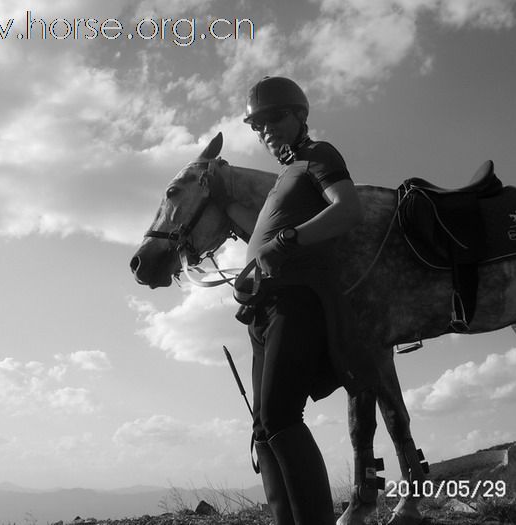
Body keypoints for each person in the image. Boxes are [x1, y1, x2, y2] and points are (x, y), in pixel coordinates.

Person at [211, 76, 372, 525]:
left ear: (300, 117)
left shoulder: (318, 155)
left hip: (299, 299)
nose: (266, 130)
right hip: (264, 305)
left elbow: (348, 208)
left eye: (275, 118)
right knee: (263, 426)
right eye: (258, 125)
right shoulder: (286, 173)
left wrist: (285, 241)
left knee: (282, 417)